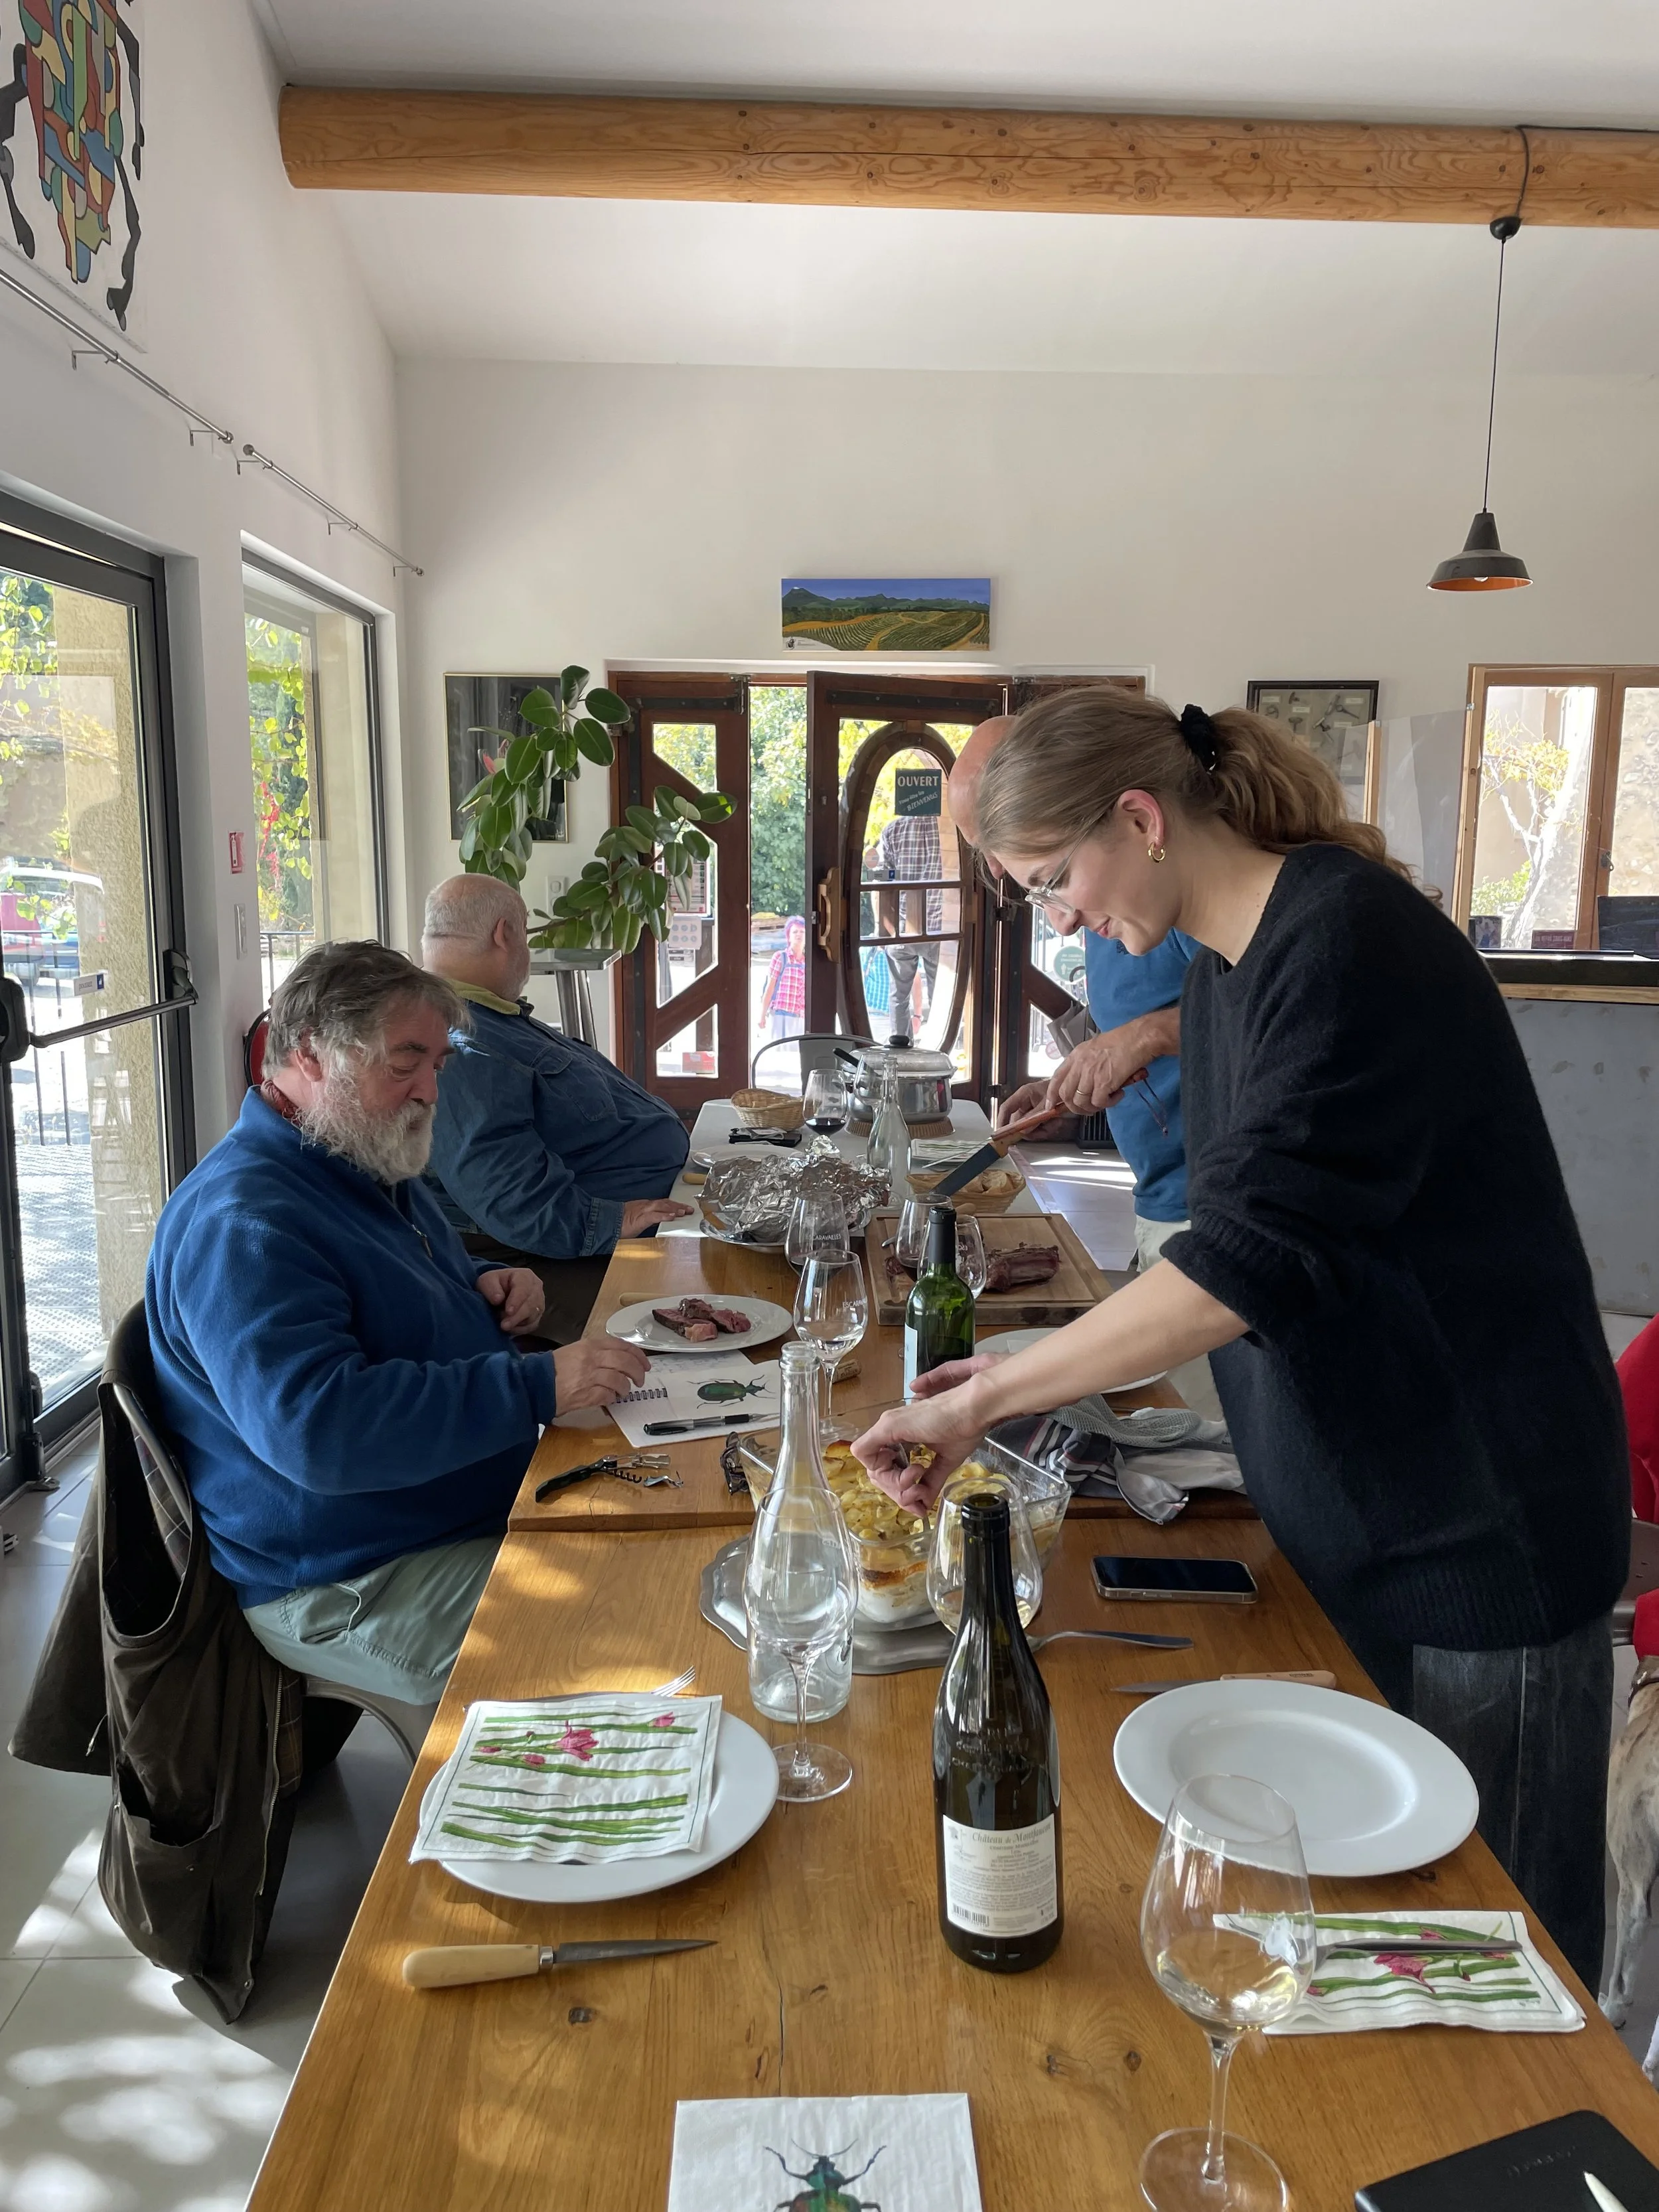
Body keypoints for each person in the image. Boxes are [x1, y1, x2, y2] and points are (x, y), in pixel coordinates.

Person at [856, 688, 1628, 1992]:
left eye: (1054, 878)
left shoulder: (1345, 943)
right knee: (1385, 1944)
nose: (1056, 918)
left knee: (1497, 1966)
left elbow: (1244, 1266)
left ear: (1141, 817)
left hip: (1476, 1535)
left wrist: (979, 1396)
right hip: (1364, 1523)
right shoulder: (1222, 972)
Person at [147, 940, 648, 1704]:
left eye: (438, 1066)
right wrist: (534, 1388)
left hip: (445, 1510)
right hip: (351, 1574)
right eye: (404, 1061)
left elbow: (387, 1282)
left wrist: (481, 1281)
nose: (428, 1091)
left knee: (672, 1545)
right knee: (645, 1630)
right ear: (312, 1053)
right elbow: (322, 1434)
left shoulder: (355, 1154)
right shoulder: (243, 1224)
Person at [950, 712, 1195, 1272]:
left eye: (999, 842)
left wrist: (1149, 1033)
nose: (996, 868)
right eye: (980, 850)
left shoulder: (1167, 896)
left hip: (1206, 1206)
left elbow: (1264, 1024)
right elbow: (1148, 1048)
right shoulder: (1114, 898)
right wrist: (1071, 1102)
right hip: (1162, 1193)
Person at [421, 875, 693, 1341]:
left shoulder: (492, 1018)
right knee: (718, 1300)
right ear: (505, 934)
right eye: (526, 932)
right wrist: (615, 1222)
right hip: (553, 1263)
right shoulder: (464, 1047)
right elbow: (509, 1196)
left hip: (617, 1232)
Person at [866, 799, 943, 1039]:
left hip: (902, 926)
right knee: (940, 994)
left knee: (899, 996)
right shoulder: (949, 832)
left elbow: (880, 880)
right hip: (941, 926)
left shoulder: (892, 830)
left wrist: (882, 927)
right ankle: (939, 1044)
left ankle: (900, 1046)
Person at [758, 915, 808, 1040]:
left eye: (802, 932)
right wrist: (762, 1015)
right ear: (789, 936)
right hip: (780, 1015)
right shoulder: (780, 958)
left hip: (800, 1017)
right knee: (780, 1053)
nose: (799, 935)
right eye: (795, 932)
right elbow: (770, 988)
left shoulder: (807, 963)